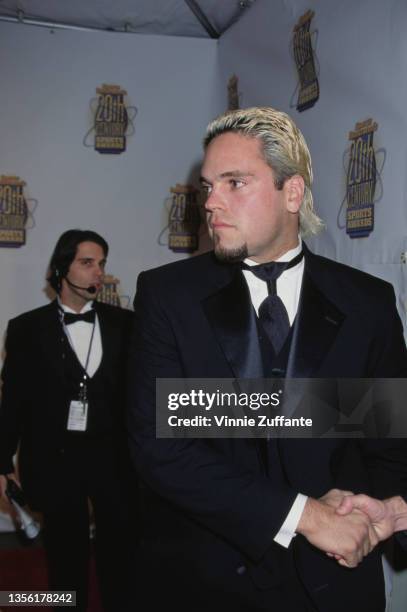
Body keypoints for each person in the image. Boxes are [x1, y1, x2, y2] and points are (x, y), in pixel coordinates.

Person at [127, 107, 407, 612]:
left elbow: (389, 441)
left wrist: (394, 508)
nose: (211, 202)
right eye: (208, 186)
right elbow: (162, 449)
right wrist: (310, 517)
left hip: (336, 586)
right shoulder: (168, 295)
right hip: (209, 583)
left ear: (292, 192)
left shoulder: (367, 301)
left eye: (235, 183)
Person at [0, 229, 138, 612]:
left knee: (120, 557)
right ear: (62, 267)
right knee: (65, 558)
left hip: (115, 459)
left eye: (102, 264)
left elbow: (142, 396)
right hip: (55, 459)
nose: (99, 273)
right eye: (87, 263)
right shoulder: (26, 328)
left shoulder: (127, 324)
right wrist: (1, 460)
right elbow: (13, 400)